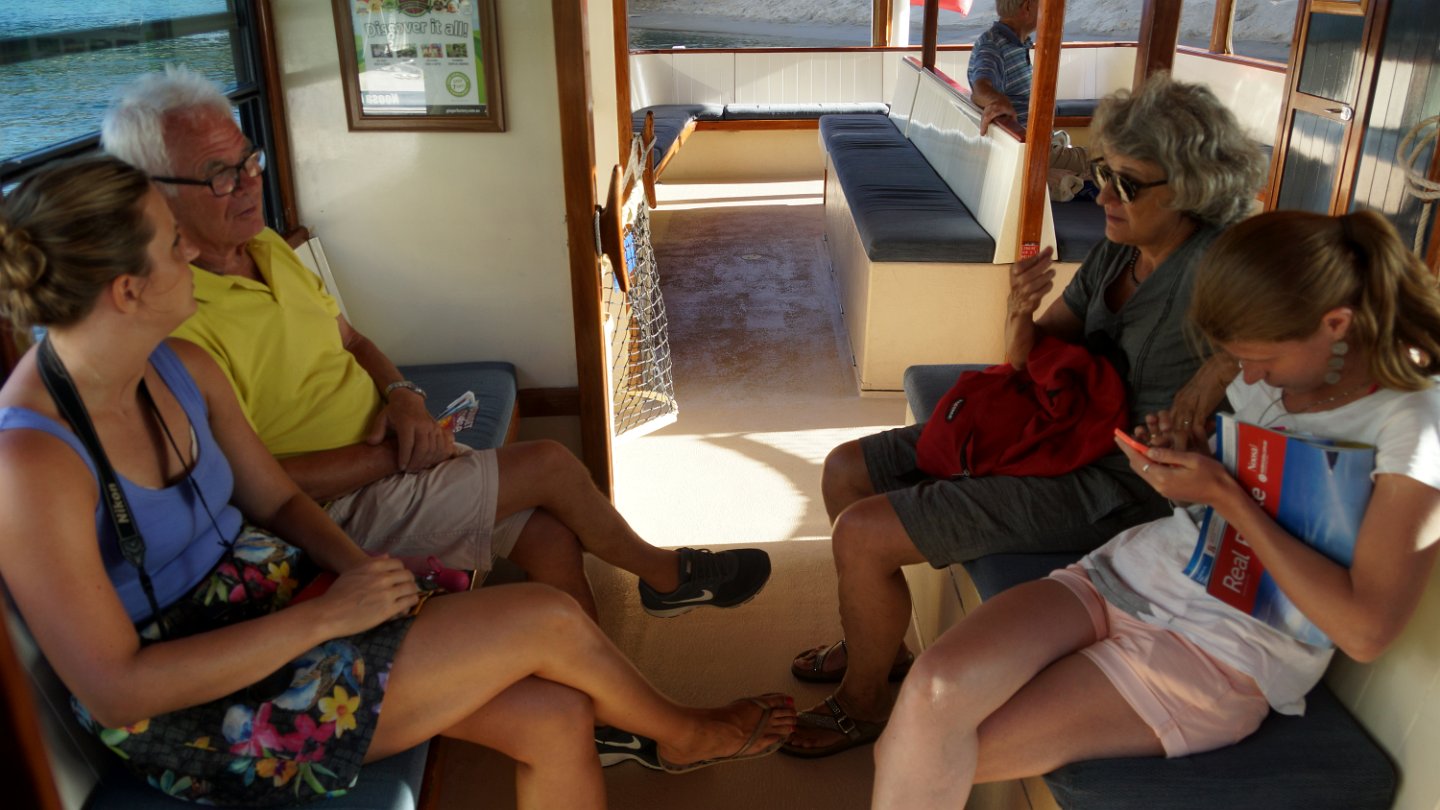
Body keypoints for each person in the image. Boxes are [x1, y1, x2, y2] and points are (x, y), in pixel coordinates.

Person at [0, 155, 796, 807]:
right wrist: (327, 617)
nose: (190, 258)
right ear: (127, 291)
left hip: (277, 602)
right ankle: (682, 734)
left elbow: (276, 498)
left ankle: (670, 726)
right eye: (175, 245)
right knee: (547, 620)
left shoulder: (179, 367)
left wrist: (360, 574)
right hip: (202, 710)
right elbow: (117, 692)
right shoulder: (33, 465)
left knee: (553, 715)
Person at [99, 66, 771, 629]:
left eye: (251, 160)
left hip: (396, 454)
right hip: (333, 509)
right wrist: (393, 454)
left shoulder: (265, 244)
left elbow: (351, 339)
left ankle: (601, 705)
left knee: (550, 536)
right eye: (221, 174)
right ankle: (664, 575)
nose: (250, 183)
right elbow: (256, 487)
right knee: (549, 463)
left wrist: (403, 397)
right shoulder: (175, 324)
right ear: (153, 194)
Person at [871, 209, 1440, 808]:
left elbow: (1365, 632)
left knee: (923, 754)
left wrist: (1225, 495)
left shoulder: (1413, 426)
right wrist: (1189, 460)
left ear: (1336, 323)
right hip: (1133, 572)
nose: (1248, 376)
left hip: (1223, 649)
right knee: (932, 691)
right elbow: (1254, 487)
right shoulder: (1281, 367)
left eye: (1261, 361)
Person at [784, 74, 1267, 757]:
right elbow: (1029, 356)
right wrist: (1018, 309)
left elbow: (1331, 296)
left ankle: (862, 706)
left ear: (1193, 187)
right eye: (1104, 173)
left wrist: (1215, 374)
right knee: (845, 470)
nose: (1103, 196)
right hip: (1054, 429)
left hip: (1116, 483)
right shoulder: (1122, 251)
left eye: (1128, 184)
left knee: (863, 535)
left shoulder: (1224, 264)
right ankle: (879, 647)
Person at [968, 0, 1040, 135]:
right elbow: (980, 89)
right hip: (1024, 142)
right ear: (1028, 7)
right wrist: (998, 101)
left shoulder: (1013, 43)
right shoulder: (993, 45)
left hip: (1033, 137)